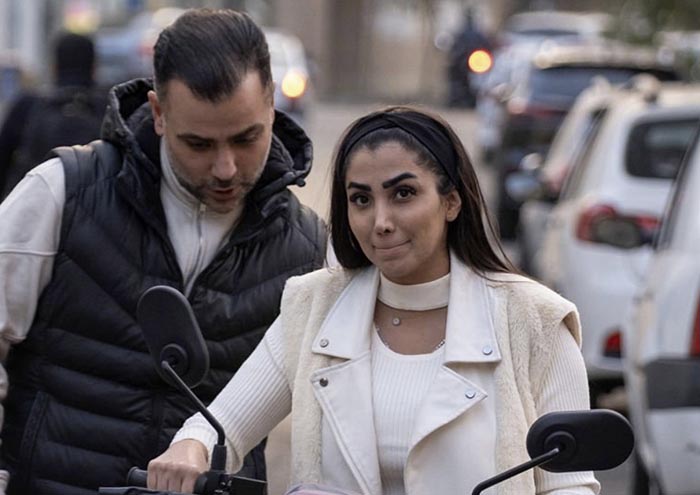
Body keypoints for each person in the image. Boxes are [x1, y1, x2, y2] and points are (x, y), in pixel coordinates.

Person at [147, 106, 600, 495]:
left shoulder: (536, 320)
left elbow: (571, 484)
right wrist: (191, 447)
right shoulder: (312, 305)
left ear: (452, 202)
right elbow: (221, 426)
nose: (380, 221)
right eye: (361, 199)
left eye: (403, 194)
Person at [0, 9, 325, 495]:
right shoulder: (64, 192)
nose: (225, 167)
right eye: (198, 144)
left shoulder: (308, 248)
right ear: (158, 113)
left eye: (246, 138)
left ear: (272, 105)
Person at [0, 31, 107, 200]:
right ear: (94, 68)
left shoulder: (28, 106)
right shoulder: (108, 108)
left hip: (34, 205)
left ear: (54, 67)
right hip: (93, 208)